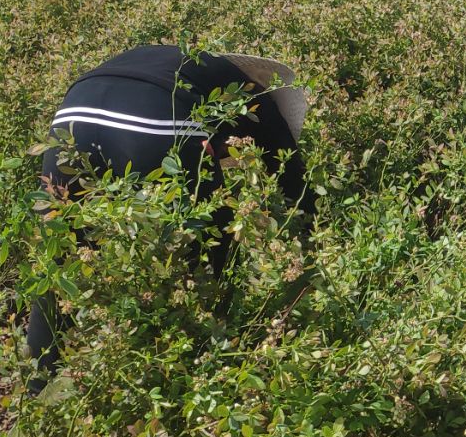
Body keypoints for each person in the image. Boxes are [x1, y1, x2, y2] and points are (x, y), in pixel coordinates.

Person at [26, 44, 310, 377]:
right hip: (155, 117)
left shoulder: (184, 67)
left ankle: (38, 383)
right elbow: (294, 186)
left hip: (71, 116)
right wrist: (305, 251)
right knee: (207, 246)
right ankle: (196, 368)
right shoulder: (261, 98)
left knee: (59, 255)